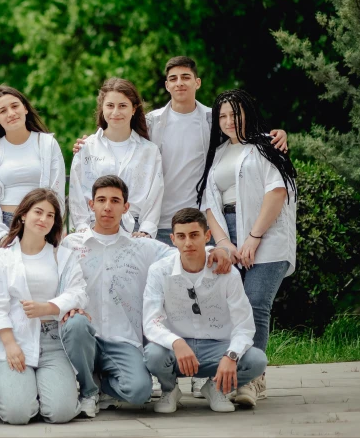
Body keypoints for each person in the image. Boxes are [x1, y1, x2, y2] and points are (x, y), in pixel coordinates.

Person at [60, 176, 232, 417]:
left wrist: (214, 250)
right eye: (101, 200)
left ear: (126, 207)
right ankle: (89, 391)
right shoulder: (71, 245)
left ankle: (104, 383)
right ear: (91, 205)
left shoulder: (143, 247)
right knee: (76, 325)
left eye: (115, 200)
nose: (107, 206)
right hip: (85, 335)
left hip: (123, 338)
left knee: (140, 392)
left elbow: (182, 254)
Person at [197, 89, 297, 406]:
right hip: (227, 234)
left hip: (264, 233)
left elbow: (277, 191)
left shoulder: (266, 145)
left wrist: (253, 237)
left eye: (235, 114)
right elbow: (209, 204)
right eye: (223, 116)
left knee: (255, 303)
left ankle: (253, 381)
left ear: (248, 113)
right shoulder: (218, 153)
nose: (229, 121)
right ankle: (229, 377)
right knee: (229, 309)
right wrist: (225, 242)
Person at [145, 57, 287, 246]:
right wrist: (91, 140)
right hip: (160, 222)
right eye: (173, 79)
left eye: (185, 77)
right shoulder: (151, 123)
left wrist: (277, 135)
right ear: (167, 85)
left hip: (203, 222)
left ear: (197, 82)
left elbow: (241, 135)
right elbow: (122, 139)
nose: (179, 83)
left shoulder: (214, 120)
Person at [143, 208, 268, 414]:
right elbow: (151, 321)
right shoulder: (159, 271)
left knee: (256, 360)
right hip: (177, 350)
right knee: (153, 355)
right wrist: (176, 342)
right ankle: (170, 389)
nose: (188, 243)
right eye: (181, 237)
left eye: (194, 235)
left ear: (207, 236)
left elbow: (244, 325)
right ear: (173, 239)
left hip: (217, 347)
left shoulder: (227, 273)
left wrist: (231, 355)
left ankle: (216, 387)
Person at [0, 189, 86, 424]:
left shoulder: (61, 255)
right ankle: (29, 390)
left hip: (52, 341)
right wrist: (10, 345)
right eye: (38, 212)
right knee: (17, 415)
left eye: (50, 215)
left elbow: (78, 293)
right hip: (16, 339)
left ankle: (50, 389)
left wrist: (49, 308)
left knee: (61, 413)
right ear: (22, 215)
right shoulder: (3, 258)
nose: (44, 219)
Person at [69, 78, 164, 238]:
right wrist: (83, 231)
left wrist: (146, 231)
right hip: (94, 229)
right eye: (110, 106)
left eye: (122, 106)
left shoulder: (149, 151)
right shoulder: (87, 148)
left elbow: (155, 195)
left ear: (133, 109)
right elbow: (76, 193)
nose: (116, 112)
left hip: (136, 229)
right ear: (102, 108)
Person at [0, 86, 66, 260]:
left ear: (25, 108)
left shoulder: (47, 144)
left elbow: (56, 191)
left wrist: (50, 225)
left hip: (41, 224)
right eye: (3, 111)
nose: (11, 113)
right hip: (4, 226)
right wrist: (1, 236)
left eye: (15, 106)